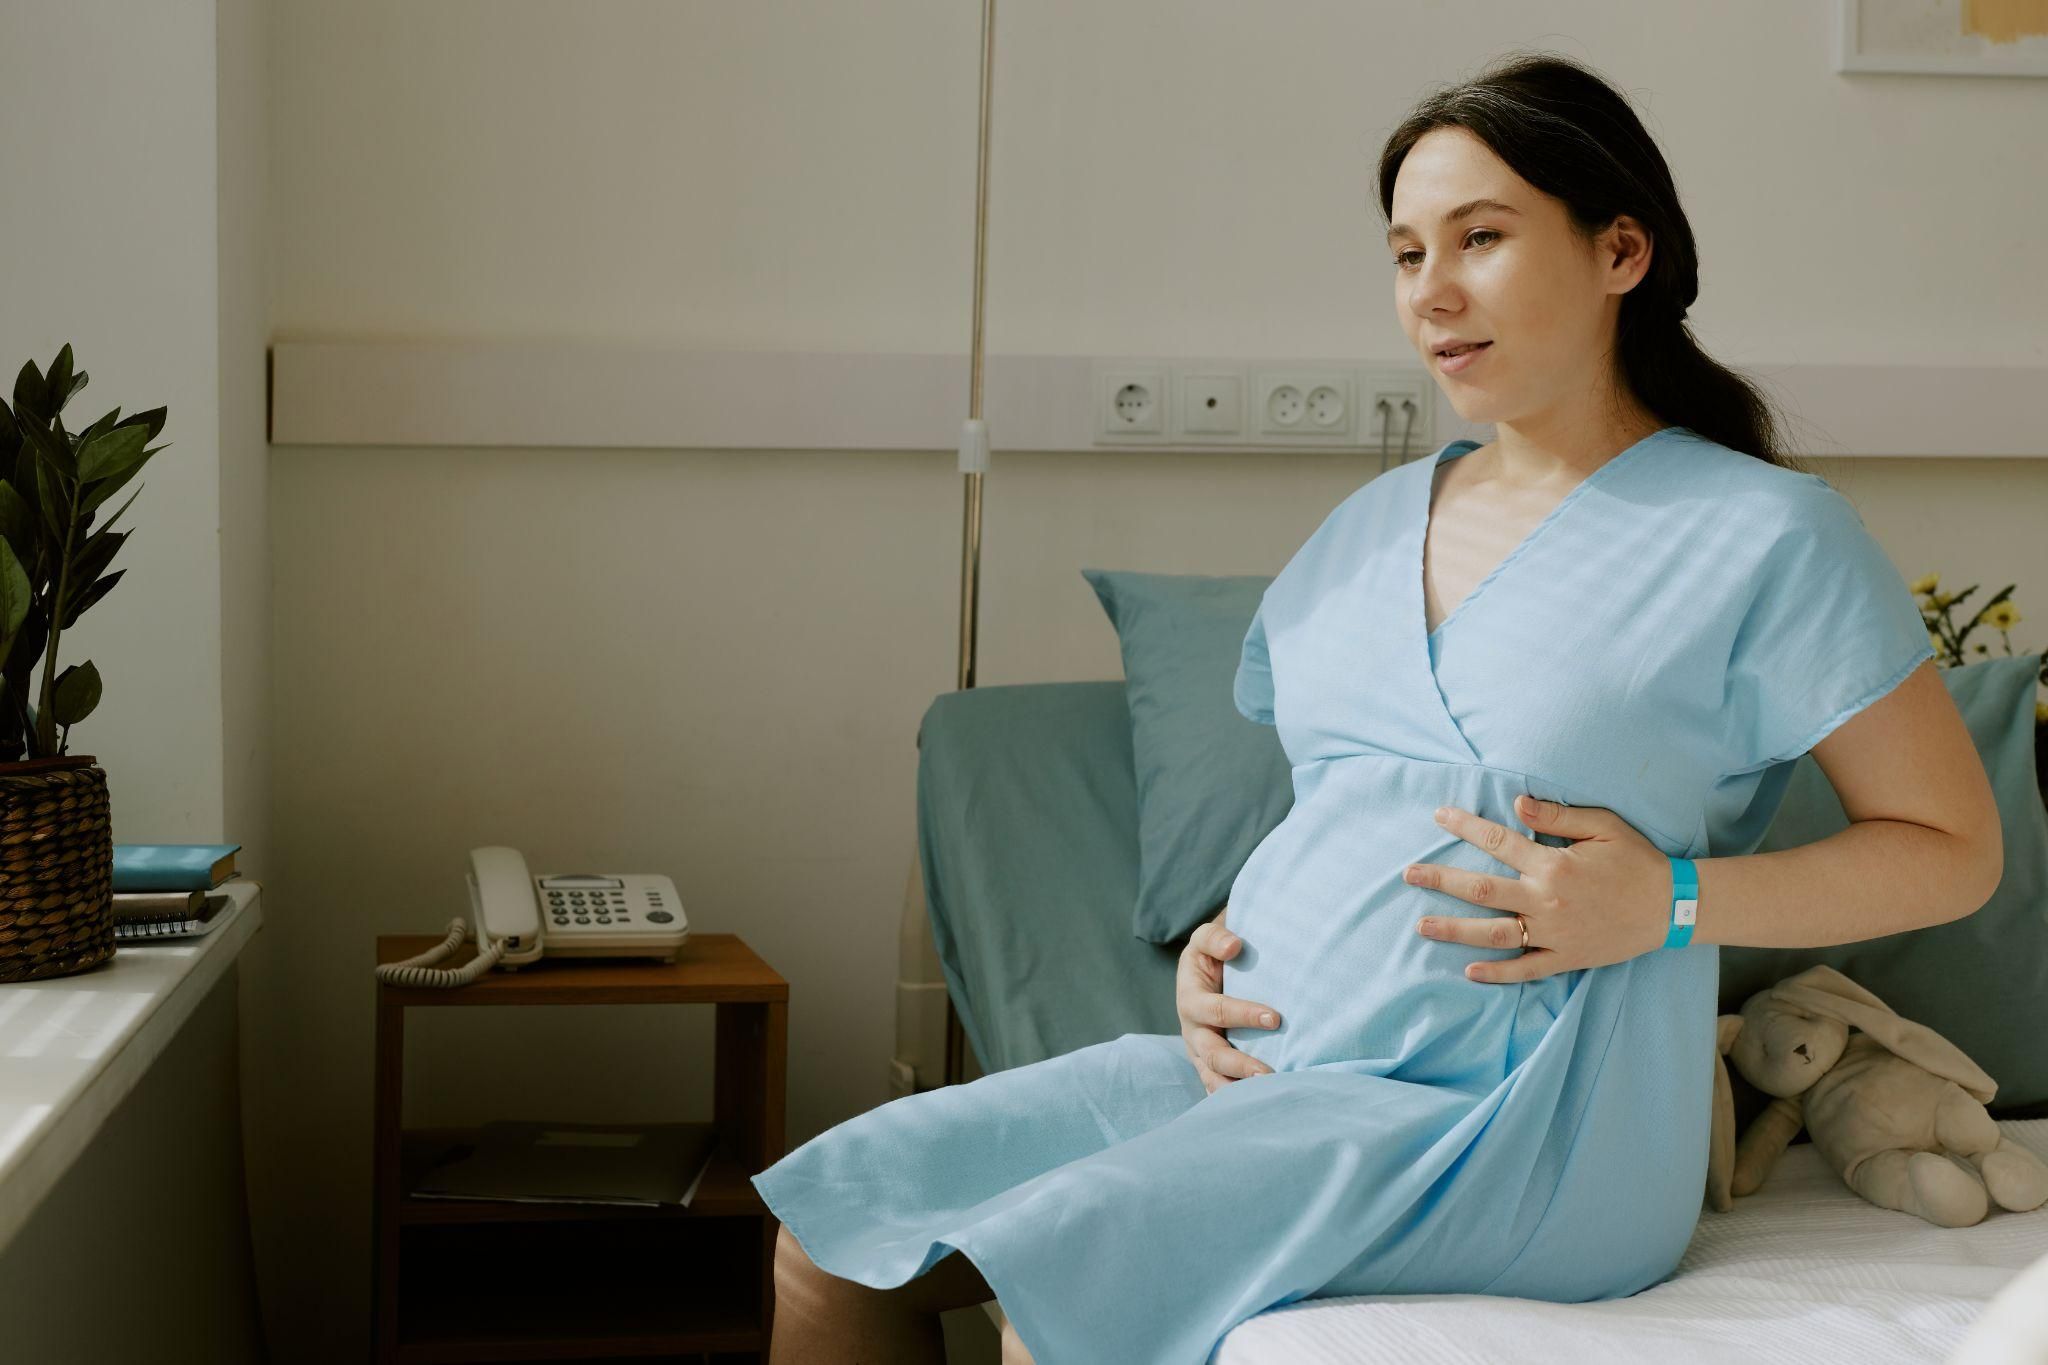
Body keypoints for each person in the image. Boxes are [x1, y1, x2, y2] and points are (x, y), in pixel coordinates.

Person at [754, 50, 2004, 1365]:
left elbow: (1949, 847)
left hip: (1508, 1117)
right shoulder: (1365, 529)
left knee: (1069, 1279)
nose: (1433, 293)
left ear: (1621, 250)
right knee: (832, 1229)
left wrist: (1673, 900)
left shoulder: (1766, 536)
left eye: (1481, 237)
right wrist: (1226, 940)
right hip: (1261, 1065)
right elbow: (1354, 807)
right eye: (1407, 254)